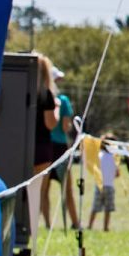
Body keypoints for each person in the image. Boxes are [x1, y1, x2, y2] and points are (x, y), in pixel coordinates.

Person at [42, 66, 79, 231]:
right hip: (61, 148)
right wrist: (69, 123)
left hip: (45, 145)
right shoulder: (63, 100)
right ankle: (75, 222)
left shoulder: (42, 97)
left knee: (44, 188)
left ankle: (47, 223)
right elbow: (65, 127)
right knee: (67, 188)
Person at [30, 54, 61, 232]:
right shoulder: (46, 95)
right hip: (41, 148)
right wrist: (56, 109)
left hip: (22, 146)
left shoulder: (21, 90)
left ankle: (28, 222)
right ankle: (44, 223)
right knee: (42, 190)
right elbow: (50, 123)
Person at [91, 137, 119, 231]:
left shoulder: (99, 155)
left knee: (95, 207)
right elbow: (117, 173)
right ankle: (105, 227)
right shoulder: (114, 158)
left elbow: (94, 169)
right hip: (110, 186)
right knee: (108, 209)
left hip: (99, 186)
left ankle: (90, 225)